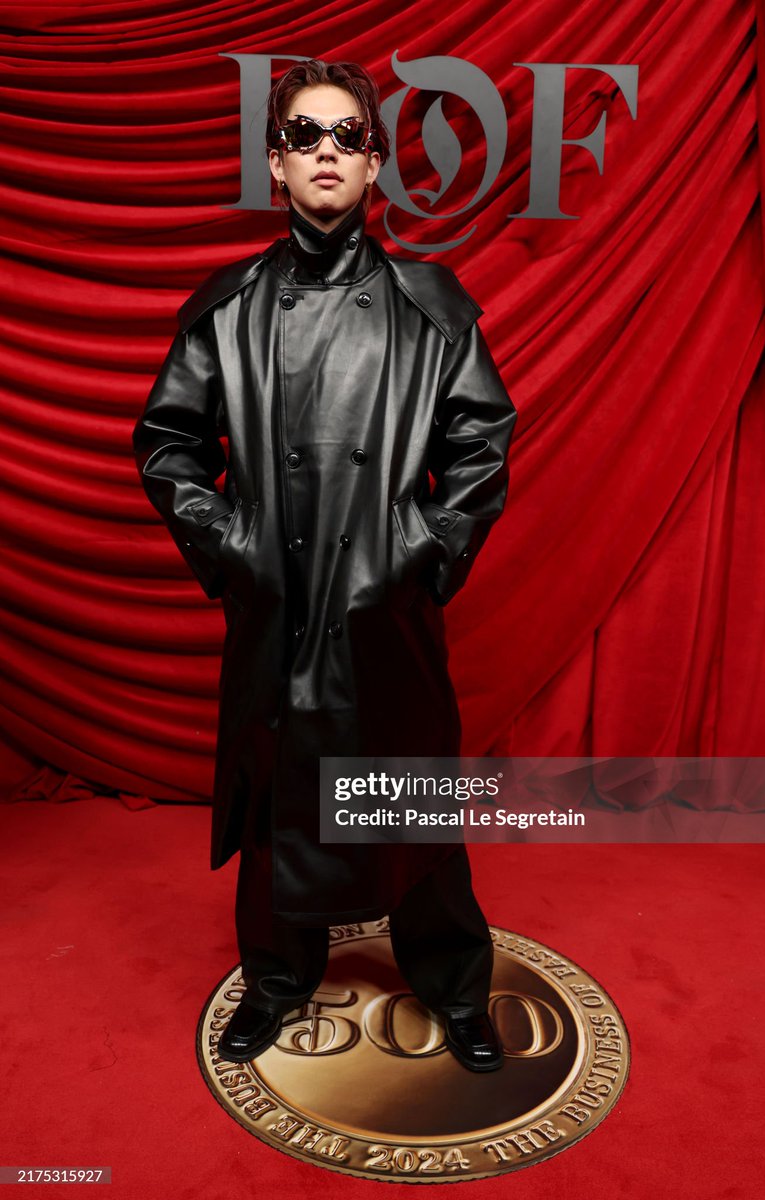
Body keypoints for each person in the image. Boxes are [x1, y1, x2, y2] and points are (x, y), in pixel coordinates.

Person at [132, 59, 517, 1073]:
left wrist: (422, 550)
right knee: (276, 802)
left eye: (347, 136)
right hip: (276, 607)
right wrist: (231, 545)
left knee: (416, 809)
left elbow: (481, 444)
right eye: (306, 136)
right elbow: (168, 443)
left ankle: (452, 983)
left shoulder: (429, 307)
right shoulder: (226, 309)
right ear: (275, 160)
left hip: (383, 612)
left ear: (377, 160)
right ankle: (274, 982)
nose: (327, 154)